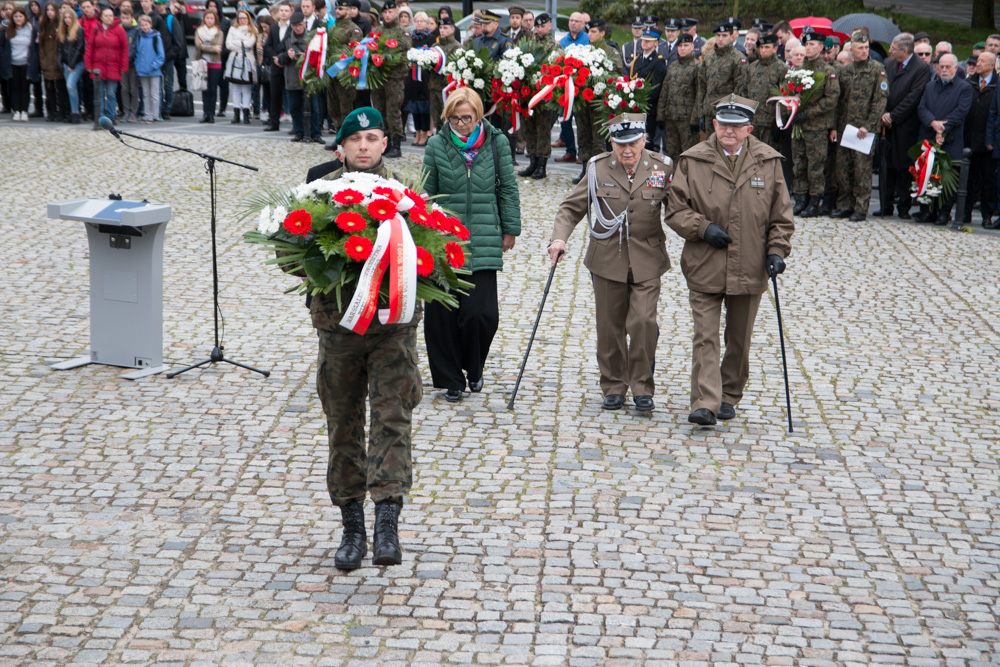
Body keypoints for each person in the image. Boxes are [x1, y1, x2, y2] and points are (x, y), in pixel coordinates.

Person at [297, 107, 422, 570]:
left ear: (384, 144)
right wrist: (322, 265)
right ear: (342, 147)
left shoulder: (406, 190)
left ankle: (387, 525)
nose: (364, 146)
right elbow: (291, 253)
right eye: (355, 139)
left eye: (372, 138)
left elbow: (428, 254)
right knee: (343, 423)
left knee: (393, 419)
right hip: (339, 326)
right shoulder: (319, 191)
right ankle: (352, 529)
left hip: (393, 329)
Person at [665, 95, 794, 425]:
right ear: (714, 125)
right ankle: (705, 402)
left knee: (739, 339)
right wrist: (702, 228)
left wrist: (777, 251)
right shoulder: (692, 160)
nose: (729, 131)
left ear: (749, 129)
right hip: (704, 262)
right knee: (705, 336)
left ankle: (729, 393)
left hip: (750, 265)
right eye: (723, 125)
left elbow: (781, 215)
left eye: (736, 127)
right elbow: (675, 209)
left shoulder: (768, 161)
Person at [549, 113, 674, 412]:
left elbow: (680, 209)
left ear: (644, 140)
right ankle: (614, 385)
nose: (627, 150)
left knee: (643, 322)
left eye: (633, 143)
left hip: (647, 258)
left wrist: (702, 232)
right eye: (620, 144)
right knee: (610, 326)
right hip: (606, 258)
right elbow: (571, 208)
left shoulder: (662, 167)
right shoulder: (597, 167)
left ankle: (642, 386)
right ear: (612, 143)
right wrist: (559, 239)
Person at [421, 88, 521, 402]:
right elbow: (426, 192)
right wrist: (424, 232)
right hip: (444, 240)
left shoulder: (497, 142)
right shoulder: (436, 145)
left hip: (483, 237)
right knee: (442, 315)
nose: (461, 124)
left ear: (478, 115)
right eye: (454, 118)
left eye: (466, 118)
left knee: (481, 315)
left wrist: (510, 229)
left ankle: (473, 366)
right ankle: (451, 379)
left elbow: (508, 188)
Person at [831, 33, 887, 222]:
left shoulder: (877, 69)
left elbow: (880, 101)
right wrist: (835, 127)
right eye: (860, 48)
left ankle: (860, 207)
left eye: (866, 48)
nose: (864, 51)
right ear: (852, 50)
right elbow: (839, 101)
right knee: (843, 168)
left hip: (864, 130)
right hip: (845, 128)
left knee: (861, 170)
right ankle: (845, 205)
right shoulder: (846, 71)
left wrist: (869, 125)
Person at [876, 33, 931, 219]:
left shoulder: (920, 68)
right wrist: (884, 113)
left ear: (905, 51)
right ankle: (885, 204)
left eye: (893, 48)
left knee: (904, 167)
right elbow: (882, 89)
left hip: (906, 125)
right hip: (886, 123)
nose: (890, 51)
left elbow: (914, 97)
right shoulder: (889, 63)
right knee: (887, 166)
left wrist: (893, 116)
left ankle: (903, 206)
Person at [915, 54, 973, 226]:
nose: (944, 70)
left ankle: (944, 213)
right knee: (928, 174)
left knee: (948, 178)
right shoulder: (930, 86)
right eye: (941, 66)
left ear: (956, 68)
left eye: (948, 67)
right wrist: (933, 123)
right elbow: (922, 107)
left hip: (951, 139)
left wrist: (943, 128)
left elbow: (961, 111)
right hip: (929, 136)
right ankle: (927, 210)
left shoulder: (964, 87)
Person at [790, 29, 840, 218]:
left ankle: (814, 201)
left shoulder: (828, 71)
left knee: (815, 165)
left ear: (820, 48)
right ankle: (800, 199)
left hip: (816, 127)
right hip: (799, 126)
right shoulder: (798, 70)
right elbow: (790, 93)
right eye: (806, 44)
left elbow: (831, 100)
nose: (808, 47)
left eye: (811, 45)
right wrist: (792, 109)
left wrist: (808, 113)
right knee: (799, 163)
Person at [571, 18, 623, 183]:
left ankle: (599, 173)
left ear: (602, 33)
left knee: (598, 139)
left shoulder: (611, 52)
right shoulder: (584, 51)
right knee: (583, 135)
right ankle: (585, 170)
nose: (590, 35)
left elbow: (617, 77)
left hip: (600, 103)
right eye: (589, 32)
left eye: (593, 32)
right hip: (583, 101)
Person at [516, 12, 555, 180]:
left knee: (543, 130)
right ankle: (532, 161)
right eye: (537, 26)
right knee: (528, 128)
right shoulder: (529, 43)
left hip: (544, 95)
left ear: (549, 26)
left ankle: (541, 165)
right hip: (527, 93)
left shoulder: (554, 46)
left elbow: (556, 68)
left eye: (542, 26)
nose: (539, 29)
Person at [369, 0, 410, 157]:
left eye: (390, 12)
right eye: (385, 12)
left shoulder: (402, 32)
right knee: (379, 110)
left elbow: (405, 55)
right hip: (379, 78)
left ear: (396, 13)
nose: (387, 15)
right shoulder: (377, 31)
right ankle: (384, 142)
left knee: (393, 111)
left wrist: (387, 60)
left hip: (395, 78)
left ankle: (396, 144)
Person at [693, 20, 746, 136]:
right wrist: (700, 113)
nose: (720, 38)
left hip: (727, 113)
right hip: (709, 112)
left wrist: (735, 114)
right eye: (718, 35)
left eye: (724, 35)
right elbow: (702, 87)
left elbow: (740, 90)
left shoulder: (738, 58)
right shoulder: (708, 58)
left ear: (731, 37)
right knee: (710, 144)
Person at [963, 52, 996, 227]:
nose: (978, 63)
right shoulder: (970, 83)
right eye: (978, 60)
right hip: (969, 138)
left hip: (988, 141)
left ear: (992, 65)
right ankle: (964, 213)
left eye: (983, 61)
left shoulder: (996, 85)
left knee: (987, 180)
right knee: (968, 179)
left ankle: (986, 216)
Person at [737, 32, 786, 150]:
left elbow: (784, 98)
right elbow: (744, 91)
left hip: (770, 123)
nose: (763, 50)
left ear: (775, 49)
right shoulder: (752, 67)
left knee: (767, 154)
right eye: (761, 47)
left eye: (767, 47)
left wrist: (780, 123)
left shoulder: (782, 69)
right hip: (752, 121)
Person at [324, 0, 362, 144]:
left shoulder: (354, 29)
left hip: (345, 75)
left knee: (345, 107)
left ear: (349, 10)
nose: (338, 11)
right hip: (332, 73)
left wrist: (337, 53)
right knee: (333, 107)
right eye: (337, 8)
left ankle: (347, 139)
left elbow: (353, 50)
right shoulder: (333, 28)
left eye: (340, 8)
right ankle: (339, 137)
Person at [84, 7, 127, 128]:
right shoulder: (96, 28)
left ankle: (111, 116)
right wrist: (88, 64)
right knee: (99, 94)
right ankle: (101, 117)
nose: (109, 18)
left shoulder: (119, 30)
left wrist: (123, 67)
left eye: (111, 16)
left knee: (111, 93)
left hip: (113, 66)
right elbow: (90, 47)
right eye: (106, 16)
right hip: (98, 67)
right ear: (101, 17)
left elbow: (125, 49)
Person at [658, 32, 699, 159]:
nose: (682, 48)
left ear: (692, 47)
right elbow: (664, 92)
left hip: (687, 120)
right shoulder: (672, 67)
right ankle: (674, 172)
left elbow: (699, 94)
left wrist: (696, 119)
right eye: (680, 46)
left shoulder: (697, 67)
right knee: (672, 152)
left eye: (686, 45)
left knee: (689, 153)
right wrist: (660, 115)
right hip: (671, 117)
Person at [278, 10, 316, 142]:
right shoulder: (287, 38)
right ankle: (298, 132)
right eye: (295, 26)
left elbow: (319, 57)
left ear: (305, 24)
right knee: (294, 107)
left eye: (300, 25)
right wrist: (287, 55)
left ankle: (315, 133)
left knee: (313, 107)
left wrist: (306, 56)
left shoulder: (312, 38)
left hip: (309, 79)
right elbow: (279, 57)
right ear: (291, 26)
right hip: (292, 78)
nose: (298, 28)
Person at [629, 28, 666, 153]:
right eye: (643, 40)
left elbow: (656, 88)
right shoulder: (638, 59)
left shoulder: (658, 61)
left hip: (649, 107)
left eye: (648, 41)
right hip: (636, 106)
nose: (644, 42)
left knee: (647, 141)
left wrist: (642, 100)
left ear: (656, 43)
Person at [1, 6, 40, 121]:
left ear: (25, 17)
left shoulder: (31, 29)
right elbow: (2, 46)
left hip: (26, 63)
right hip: (12, 63)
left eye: (20, 16)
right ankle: (16, 110)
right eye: (16, 16)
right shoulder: (7, 30)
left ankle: (24, 111)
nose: (18, 19)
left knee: (25, 88)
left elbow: (35, 46)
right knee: (14, 88)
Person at [427, 14, 458, 138]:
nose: (442, 30)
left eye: (445, 28)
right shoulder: (435, 47)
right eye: (440, 28)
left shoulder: (457, 47)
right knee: (437, 120)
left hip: (447, 89)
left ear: (452, 29)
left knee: (448, 119)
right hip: (434, 87)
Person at [404, 10, 432, 145]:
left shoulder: (431, 38)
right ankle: (418, 131)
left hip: (425, 77)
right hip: (413, 76)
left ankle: (425, 133)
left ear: (427, 23)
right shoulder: (411, 38)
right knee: (414, 106)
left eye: (422, 21)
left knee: (424, 106)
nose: (419, 23)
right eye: (417, 21)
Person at [224, 8, 257, 124]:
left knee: (246, 88)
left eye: (244, 18)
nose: (242, 20)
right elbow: (228, 45)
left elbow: (249, 44)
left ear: (248, 19)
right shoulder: (233, 29)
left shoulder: (253, 30)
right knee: (236, 87)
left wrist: (237, 43)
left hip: (247, 60)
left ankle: (246, 114)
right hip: (234, 59)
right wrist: (242, 44)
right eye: (240, 18)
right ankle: (236, 114)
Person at [262, 1, 289, 130]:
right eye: (281, 10)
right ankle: (274, 122)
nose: (283, 13)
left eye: (286, 10)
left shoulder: (292, 27)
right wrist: (275, 57)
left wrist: (283, 58)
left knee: (292, 95)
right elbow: (267, 46)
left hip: (288, 64)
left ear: (290, 12)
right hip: (275, 65)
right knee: (275, 95)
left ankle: (296, 125)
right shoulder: (273, 28)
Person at [37, 1, 66, 122]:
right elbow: (41, 46)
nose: (50, 12)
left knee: (60, 88)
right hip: (47, 61)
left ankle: (62, 112)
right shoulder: (43, 25)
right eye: (48, 10)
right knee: (49, 89)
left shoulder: (61, 25)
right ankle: (52, 111)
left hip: (57, 61)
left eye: (52, 10)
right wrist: (43, 61)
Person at [193, 8, 223, 123]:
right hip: (202, 62)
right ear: (204, 19)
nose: (209, 20)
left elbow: (218, 48)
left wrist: (204, 46)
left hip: (215, 63)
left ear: (215, 20)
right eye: (207, 18)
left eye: (211, 18)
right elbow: (198, 45)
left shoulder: (219, 32)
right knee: (204, 88)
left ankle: (211, 114)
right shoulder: (199, 31)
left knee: (213, 89)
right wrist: (211, 47)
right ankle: (205, 113)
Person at [57, 5, 85, 123]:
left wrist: (72, 64)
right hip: (66, 63)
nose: (67, 20)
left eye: (69, 17)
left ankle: (75, 112)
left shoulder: (79, 30)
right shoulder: (63, 31)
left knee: (70, 86)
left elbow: (79, 48)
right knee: (70, 89)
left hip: (76, 63)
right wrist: (59, 61)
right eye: (65, 17)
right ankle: (72, 111)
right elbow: (60, 48)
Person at [133, 13, 162, 122]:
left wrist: (154, 65)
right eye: (142, 25)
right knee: (145, 94)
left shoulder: (156, 37)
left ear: (150, 24)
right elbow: (137, 52)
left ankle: (155, 114)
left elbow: (161, 55)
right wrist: (138, 65)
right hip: (142, 69)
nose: (145, 27)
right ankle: (147, 113)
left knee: (154, 93)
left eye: (146, 25)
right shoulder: (139, 37)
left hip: (154, 70)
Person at [118, 3, 139, 121]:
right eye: (123, 18)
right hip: (122, 65)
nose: (125, 20)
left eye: (127, 18)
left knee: (133, 89)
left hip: (132, 64)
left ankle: (133, 112)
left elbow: (134, 47)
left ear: (132, 18)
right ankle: (126, 111)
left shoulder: (136, 30)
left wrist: (127, 58)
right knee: (124, 89)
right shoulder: (119, 29)